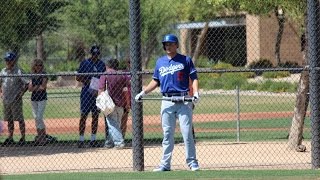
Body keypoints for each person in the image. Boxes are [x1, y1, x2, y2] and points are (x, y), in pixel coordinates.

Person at [135, 34, 200, 171]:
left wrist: (196, 93)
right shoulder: (160, 62)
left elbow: (194, 78)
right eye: (166, 44)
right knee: (167, 134)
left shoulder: (185, 60)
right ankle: (165, 164)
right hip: (167, 100)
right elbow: (156, 81)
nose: (168, 46)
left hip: (183, 99)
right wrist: (143, 92)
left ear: (176, 45)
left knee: (187, 133)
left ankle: (192, 162)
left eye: (171, 44)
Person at [76, 45, 106, 148]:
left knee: (95, 115)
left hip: (97, 93)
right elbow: (78, 77)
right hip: (86, 92)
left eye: (97, 54)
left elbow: (104, 77)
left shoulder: (101, 64)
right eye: (94, 54)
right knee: (83, 115)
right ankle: (81, 139)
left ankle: (93, 139)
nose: (95, 56)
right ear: (91, 53)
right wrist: (88, 81)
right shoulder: (85, 63)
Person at [98, 58, 129, 149]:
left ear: (107, 66)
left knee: (112, 124)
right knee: (116, 124)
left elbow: (101, 90)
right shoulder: (122, 75)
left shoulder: (105, 75)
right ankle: (108, 143)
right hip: (121, 103)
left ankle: (119, 142)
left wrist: (100, 102)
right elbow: (125, 90)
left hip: (109, 104)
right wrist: (127, 103)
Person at [0, 52, 29, 146]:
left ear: (14, 60)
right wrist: (1, 93)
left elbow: (26, 83)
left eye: (9, 60)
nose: (7, 62)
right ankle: (10, 137)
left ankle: (23, 138)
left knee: (19, 119)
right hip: (6, 99)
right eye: (6, 60)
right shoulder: (3, 71)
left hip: (15, 99)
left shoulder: (18, 71)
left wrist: (21, 93)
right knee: (9, 120)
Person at [28, 59, 57, 146]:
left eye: (40, 65)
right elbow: (29, 89)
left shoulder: (44, 74)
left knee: (39, 117)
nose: (38, 67)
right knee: (36, 118)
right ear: (34, 66)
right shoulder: (32, 75)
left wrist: (35, 87)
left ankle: (43, 137)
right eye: (36, 65)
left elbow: (43, 87)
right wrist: (37, 87)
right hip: (34, 99)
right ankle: (40, 137)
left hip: (42, 98)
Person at [120, 59, 131, 138]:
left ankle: (138, 137)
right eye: (130, 62)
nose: (131, 64)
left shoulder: (137, 72)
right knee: (123, 119)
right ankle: (121, 137)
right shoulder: (124, 73)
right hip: (125, 98)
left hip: (134, 98)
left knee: (137, 119)